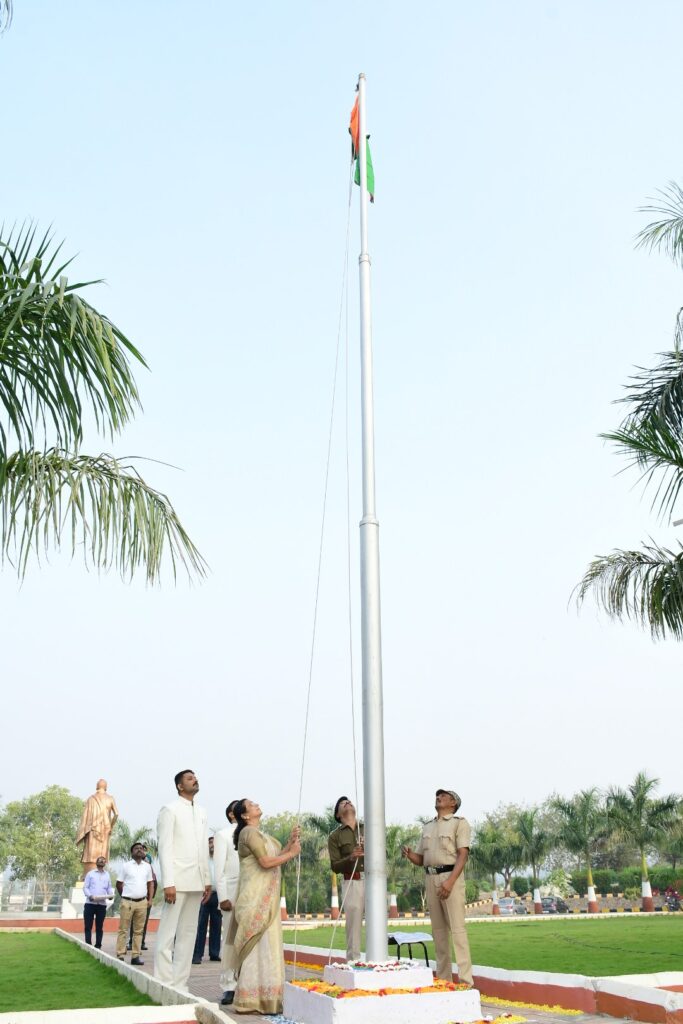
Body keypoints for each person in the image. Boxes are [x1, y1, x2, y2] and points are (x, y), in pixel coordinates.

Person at [226, 798, 300, 1014]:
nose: (257, 804)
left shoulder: (260, 835)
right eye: (252, 804)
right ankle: (252, 1000)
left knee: (267, 947)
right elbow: (266, 863)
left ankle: (267, 999)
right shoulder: (248, 833)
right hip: (255, 899)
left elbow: (274, 857)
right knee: (257, 947)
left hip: (265, 900)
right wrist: (292, 853)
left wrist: (290, 843)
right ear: (245, 815)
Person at [402, 788, 473, 987]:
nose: (438, 797)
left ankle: (466, 981)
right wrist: (409, 854)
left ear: (453, 803)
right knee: (439, 932)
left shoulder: (459, 823)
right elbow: (421, 859)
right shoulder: (428, 827)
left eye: (444, 796)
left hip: (450, 877)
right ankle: (444, 980)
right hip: (430, 878)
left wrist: (450, 882)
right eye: (438, 795)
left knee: (458, 931)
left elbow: (463, 855)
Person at [153, 769, 211, 991]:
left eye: (196, 777)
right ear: (179, 786)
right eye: (189, 778)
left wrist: (207, 879)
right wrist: (168, 882)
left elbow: (204, 849)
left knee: (188, 935)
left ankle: (180, 984)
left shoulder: (202, 812)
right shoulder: (170, 810)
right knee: (168, 934)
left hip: (197, 881)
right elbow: (165, 847)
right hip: (176, 881)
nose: (195, 779)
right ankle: (163, 982)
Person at [328, 796, 364, 961]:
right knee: (353, 928)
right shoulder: (335, 837)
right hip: (352, 882)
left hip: (373, 882)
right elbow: (335, 865)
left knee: (377, 924)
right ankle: (353, 963)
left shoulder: (368, 828)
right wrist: (351, 857)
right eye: (343, 803)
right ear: (338, 814)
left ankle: (379, 963)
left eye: (349, 801)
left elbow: (384, 853)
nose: (347, 803)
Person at [214, 799, 240, 1006]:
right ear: (232, 814)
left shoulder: (255, 834)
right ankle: (229, 986)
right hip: (231, 894)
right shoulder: (223, 835)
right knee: (230, 941)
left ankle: (246, 984)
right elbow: (219, 869)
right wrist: (222, 897)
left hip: (252, 893)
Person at [116, 842, 154, 964]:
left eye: (141, 848)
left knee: (139, 931)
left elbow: (150, 883)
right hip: (127, 902)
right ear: (132, 852)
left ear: (144, 852)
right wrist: (125, 896)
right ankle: (121, 954)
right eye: (136, 848)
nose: (139, 850)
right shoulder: (126, 866)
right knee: (123, 929)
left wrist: (150, 899)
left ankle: (135, 956)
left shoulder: (147, 867)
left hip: (142, 902)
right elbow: (119, 883)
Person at [76, 780, 119, 873]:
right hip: (105, 829)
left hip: (92, 828)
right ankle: (99, 873)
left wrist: (82, 831)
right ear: (106, 787)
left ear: (97, 786)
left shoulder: (91, 799)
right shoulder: (110, 798)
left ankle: (87, 875)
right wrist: (111, 826)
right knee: (101, 853)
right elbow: (116, 814)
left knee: (90, 853)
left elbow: (85, 816)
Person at [192, 836, 222, 964]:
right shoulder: (202, 860)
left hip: (217, 895)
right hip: (203, 895)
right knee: (201, 925)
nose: (212, 845)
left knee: (217, 925)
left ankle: (214, 953)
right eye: (210, 843)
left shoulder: (221, 860)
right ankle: (197, 955)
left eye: (214, 843)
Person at [127, 844, 157, 951]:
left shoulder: (151, 871)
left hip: (146, 901)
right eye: (146, 859)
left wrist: (150, 899)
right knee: (134, 923)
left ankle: (142, 942)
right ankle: (131, 942)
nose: (147, 861)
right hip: (134, 899)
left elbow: (153, 885)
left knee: (144, 923)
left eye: (148, 860)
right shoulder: (133, 868)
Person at [83, 855, 113, 948]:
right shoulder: (90, 874)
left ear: (105, 863)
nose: (101, 861)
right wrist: (90, 895)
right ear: (96, 862)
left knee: (99, 927)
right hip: (90, 904)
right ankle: (88, 945)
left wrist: (111, 895)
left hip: (102, 905)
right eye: (99, 860)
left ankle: (98, 945)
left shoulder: (107, 875)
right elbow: (85, 887)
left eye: (103, 860)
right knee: (88, 926)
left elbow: (109, 888)